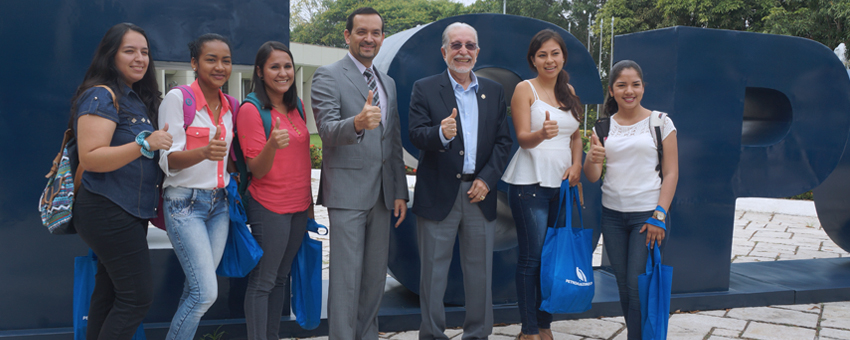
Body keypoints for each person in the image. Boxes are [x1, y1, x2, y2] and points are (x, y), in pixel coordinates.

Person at [408, 22, 512, 340]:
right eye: (456, 45)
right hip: (438, 193)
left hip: (480, 194)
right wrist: (441, 133)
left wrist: (487, 178)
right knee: (433, 276)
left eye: (469, 45)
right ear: (444, 52)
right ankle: (432, 335)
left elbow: (503, 142)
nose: (463, 51)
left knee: (480, 276)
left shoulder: (493, 92)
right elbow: (415, 134)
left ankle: (478, 335)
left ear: (477, 52)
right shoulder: (424, 88)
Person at [310, 7, 408, 339]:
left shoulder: (388, 83)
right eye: (362, 32)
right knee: (346, 280)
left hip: (382, 195)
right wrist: (357, 122)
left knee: (373, 279)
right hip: (347, 193)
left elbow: (392, 141)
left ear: (382, 37)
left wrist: (398, 191)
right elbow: (325, 130)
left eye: (376, 32)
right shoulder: (327, 75)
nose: (369, 38)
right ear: (347, 35)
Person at [70, 22, 171, 340]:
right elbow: (91, 157)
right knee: (137, 297)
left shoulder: (134, 99)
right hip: (107, 207)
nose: (140, 58)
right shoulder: (102, 95)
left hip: (127, 210)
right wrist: (146, 144)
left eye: (144, 52)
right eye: (129, 51)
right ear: (110, 55)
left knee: (111, 293)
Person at [583, 60, 679, 340]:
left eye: (635, 84)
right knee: (625, 288)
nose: (629, 91)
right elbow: (593, 176)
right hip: (612, 217)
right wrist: (591, 158)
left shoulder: (660, 122)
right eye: (622, 85)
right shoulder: (603, 127)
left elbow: (671, 173)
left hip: (647, 216)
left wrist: (659, 215)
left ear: (642, 87)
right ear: (612, 90)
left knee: (638, 288)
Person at [501, 29, 584, 340]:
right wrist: (542, 134)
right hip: (529, 184)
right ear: (533, 60)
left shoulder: (569, 91)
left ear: (563, 57)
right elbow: (523, 138)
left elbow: (576, 136)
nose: (549, 60)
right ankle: (529, 329)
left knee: (552, 259)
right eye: (542, 55)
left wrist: (576, 165)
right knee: (531, 258)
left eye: (555, 53)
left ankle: (545, 324)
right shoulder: (525, 90)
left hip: (561, 187)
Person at [157, 33, 235, 340]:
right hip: (183, 203)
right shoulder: (178, 99)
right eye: (211, 59)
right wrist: (203, 152)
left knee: (196, 290)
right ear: (194, 63)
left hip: (220, 206)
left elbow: (231, 158)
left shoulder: (231, 106)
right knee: (205, 294)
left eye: (226, 60)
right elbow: (167, 160)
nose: (220, 67)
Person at [238, 41, 313, 340]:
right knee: (263, 281)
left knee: (281, 278)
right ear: (260, 71)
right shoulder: (251, 109)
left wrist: (308, 204)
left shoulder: (298, 107)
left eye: (287, 66)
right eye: (274, 67)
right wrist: (271, 144)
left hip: (298, 205)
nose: (283, 73)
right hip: (268, 205)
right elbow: (256, 167)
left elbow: (303, 158)